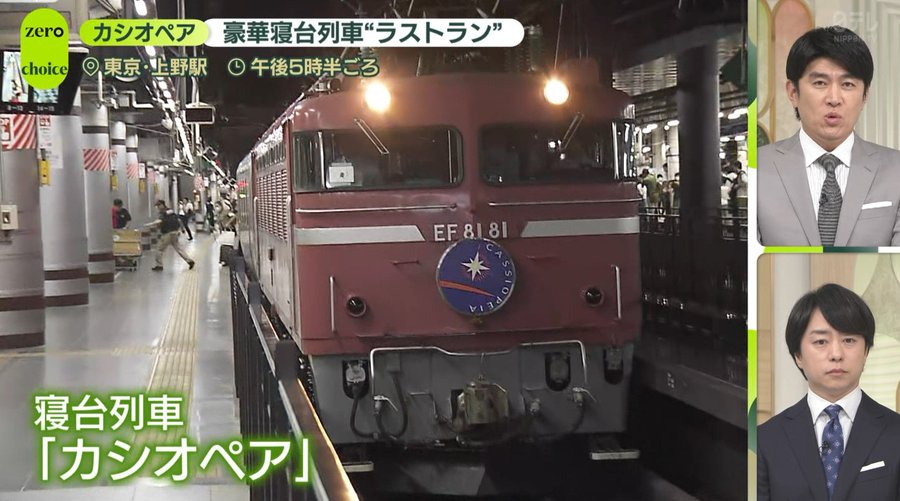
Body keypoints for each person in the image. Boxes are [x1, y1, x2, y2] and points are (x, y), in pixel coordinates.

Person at [757, 26, 900, 246]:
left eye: (848, 84)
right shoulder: (758, 167)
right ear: (793, 93)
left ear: (864, 95)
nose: (834, 98)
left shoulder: (895, 170)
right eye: (820, 83)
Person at [757, 283, 900, 501]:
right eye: (821, 341)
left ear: (865, 351)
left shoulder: (895, 432)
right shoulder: (765, 440)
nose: (836, 354)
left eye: (849, 340)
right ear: (798, 355)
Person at [151, 200, 195, 271]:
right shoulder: (171, 211)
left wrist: (153, 224)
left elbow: (159, 222)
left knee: (159, 249)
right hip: (175, 232)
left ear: (162, 205)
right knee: (178, 248)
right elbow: (179, 220)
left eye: (158, 205)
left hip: (167, 234)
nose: (158, 207)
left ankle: (159, 265)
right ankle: (189, 261)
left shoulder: (163, 213)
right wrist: (181, 228)